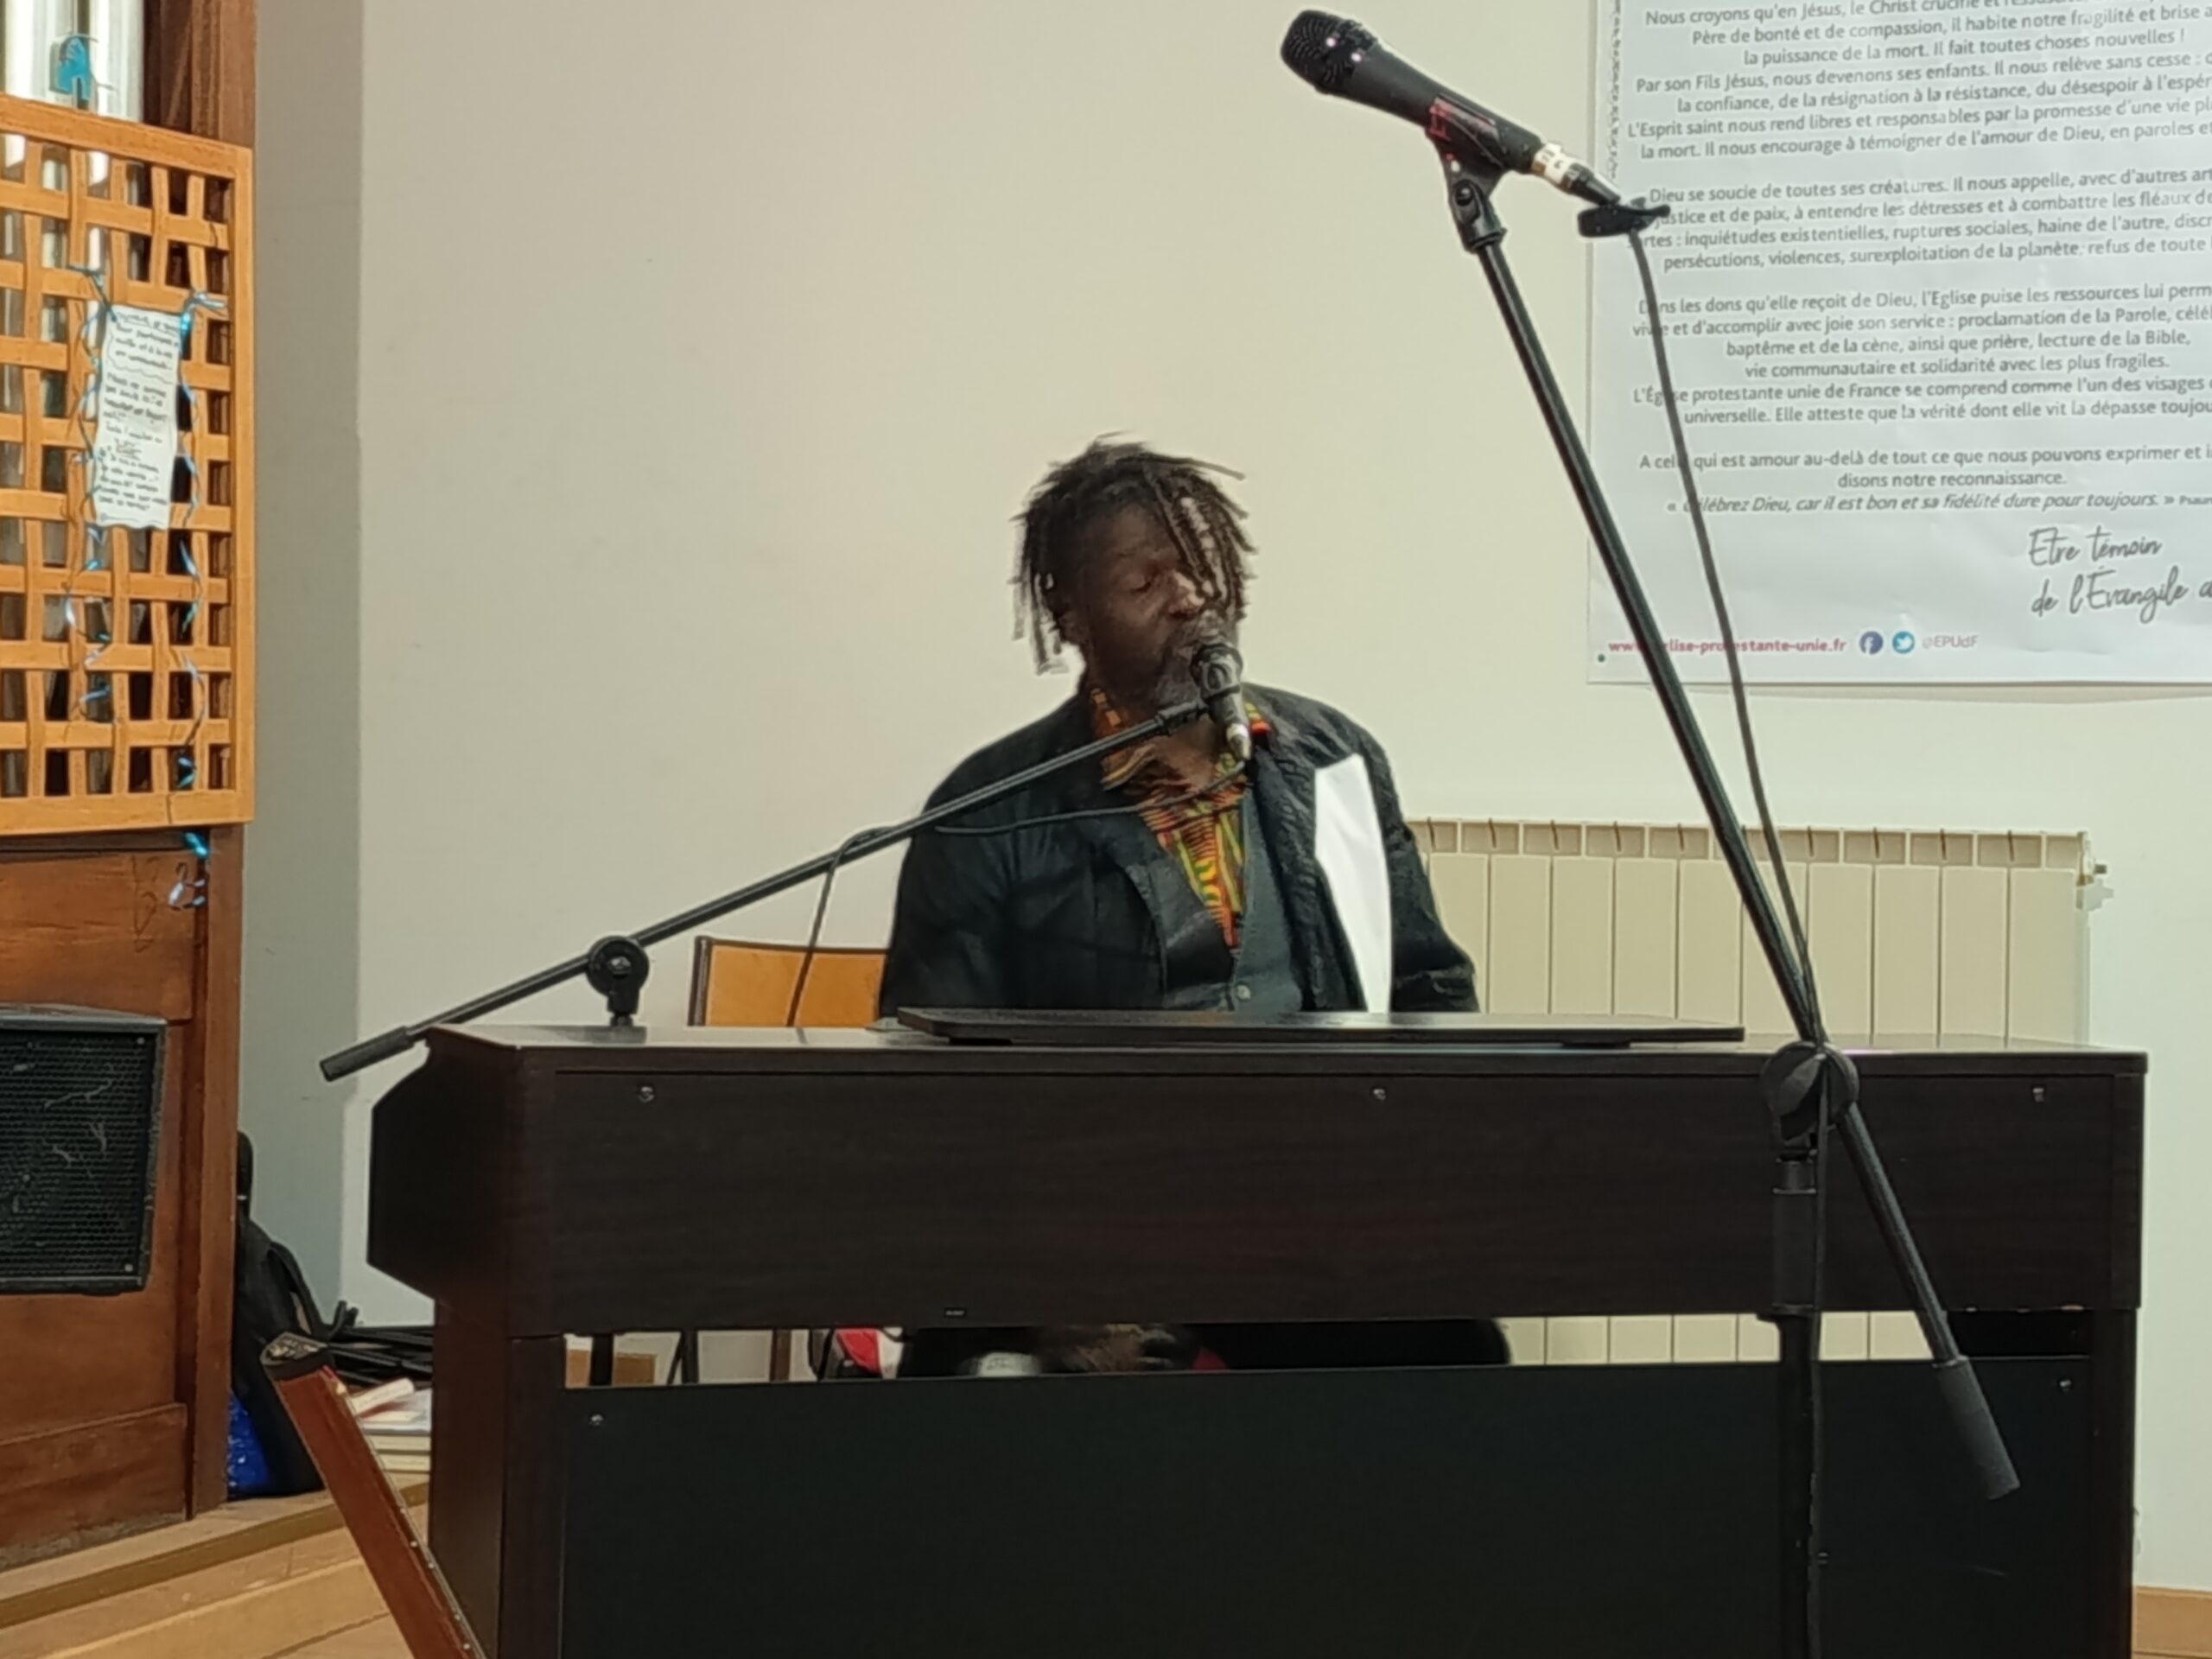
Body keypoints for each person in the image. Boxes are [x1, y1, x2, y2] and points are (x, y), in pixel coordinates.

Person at [876, 437, 1503, 1377]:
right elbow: (927, 1105)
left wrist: (1421, 1210)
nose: (1188, 598)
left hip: (1320, 1234)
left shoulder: (1333, 762)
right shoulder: (988, 812)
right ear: (1070, 614)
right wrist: (1041, 1308)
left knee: (1457, 1359)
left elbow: (1430, 992)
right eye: (1145, 580)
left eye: (1201, 567)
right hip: (1100, 1246)